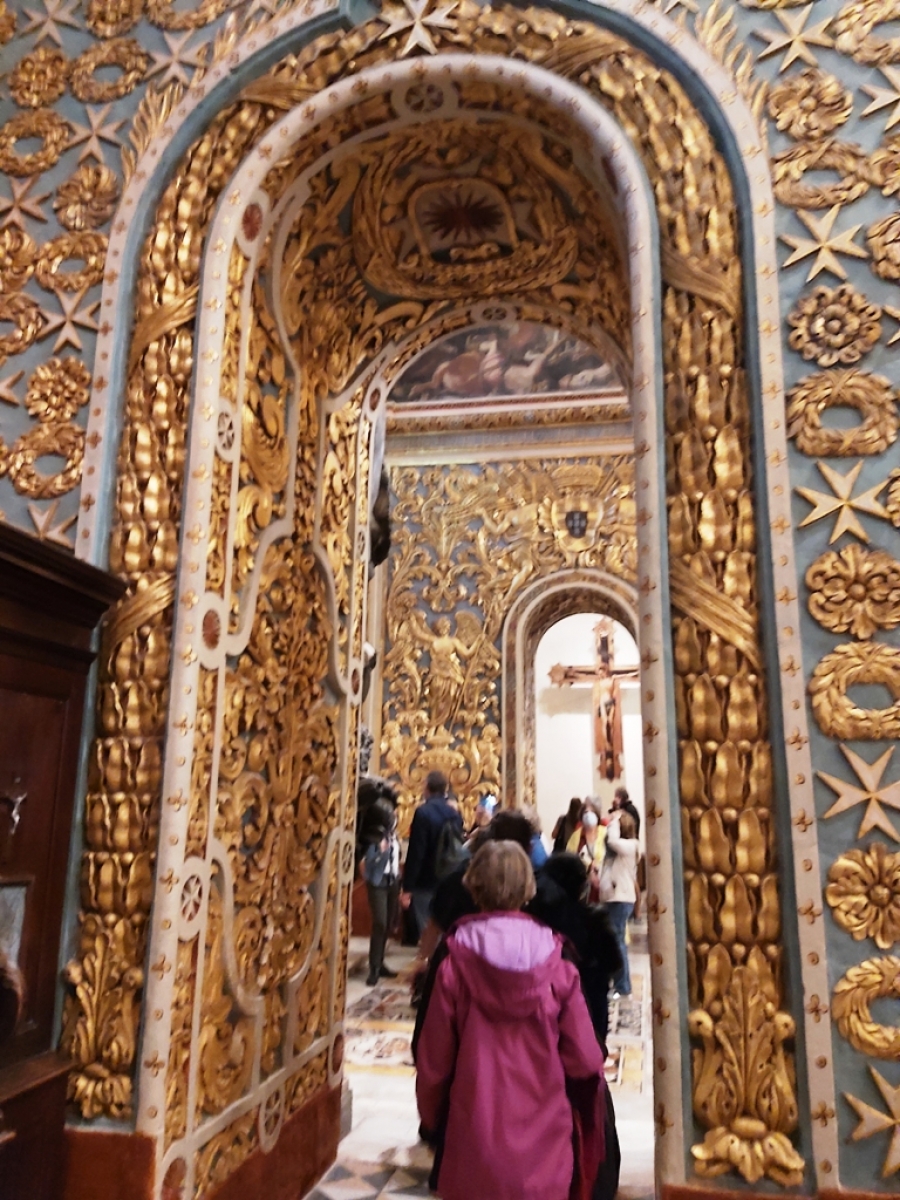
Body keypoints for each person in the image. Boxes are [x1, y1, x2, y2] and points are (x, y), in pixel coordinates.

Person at [416, 841, 606, 1200]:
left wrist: (431, 1118)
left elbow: (433, 1062)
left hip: (474, 1132)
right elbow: (584, 1058)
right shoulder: (557, 960)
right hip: (544, 1138)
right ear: (527, 888)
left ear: (473, 884)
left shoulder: (455, 960)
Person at [402, 770, 463, 940]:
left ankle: (431, 964)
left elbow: (417, 852)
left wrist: (407, 887)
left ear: (427, 787)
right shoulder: (454, 813)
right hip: (450, 876)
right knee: (445, 927)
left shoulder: (423, 812)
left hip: (426, 880)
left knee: (426, 930)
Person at [361, 803, 401, 987]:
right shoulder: (375, 837)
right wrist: (380, 852)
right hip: (378, 882)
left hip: (392, 881)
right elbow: (366, 862)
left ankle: (381, 961)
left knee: (389, 923)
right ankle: (374, 968)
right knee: (380, 921)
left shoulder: (395, 837)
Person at [602, 810, 641, 997]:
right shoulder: (621, 850)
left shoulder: (631, 845)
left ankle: (622, 986)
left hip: (621, 898)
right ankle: (617, 982)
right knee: (614, 941)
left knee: (618, 942)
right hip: (614, 897)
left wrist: (614, 822)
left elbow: (612, 840)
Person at [568, 807, 606, 902]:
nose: (588, 815)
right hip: (583, 879)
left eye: (591, 812)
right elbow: (570, 856)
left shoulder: (605, 832)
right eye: (586, 812)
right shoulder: (576, 835)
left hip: (603, 877)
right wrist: (588, 865)